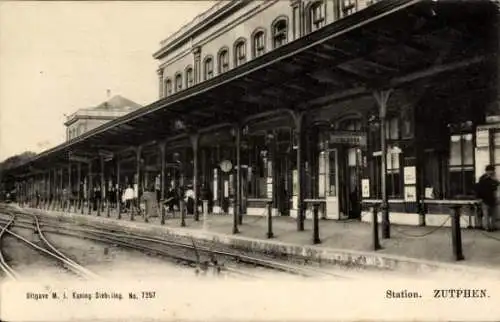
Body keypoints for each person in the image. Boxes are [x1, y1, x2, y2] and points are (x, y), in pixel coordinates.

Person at [475, 165, 499, 232]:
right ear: (488, 171)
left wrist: (494, 179)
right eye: (492, 170)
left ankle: (492, 226)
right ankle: (487, 227)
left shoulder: (493, 179)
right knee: (486, 214)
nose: (493, 172)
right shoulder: (482, 178)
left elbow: (496, 186)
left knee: (493, 214)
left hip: (492, 199)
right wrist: (479, 198)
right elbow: (479, 189)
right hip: (485, 199)